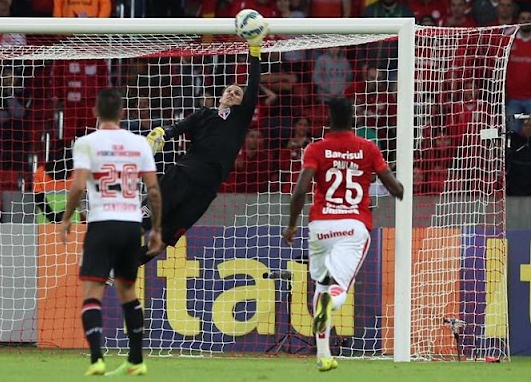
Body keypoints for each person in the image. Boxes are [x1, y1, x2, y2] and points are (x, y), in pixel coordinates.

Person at [282, 98, 404, 372]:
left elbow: (300, 190)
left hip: (320, 228)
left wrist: (291, 226)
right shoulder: (368, 149)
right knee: (338, 289)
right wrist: (400, 188)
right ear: (353, 121)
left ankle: (323, 355)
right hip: (352, 227)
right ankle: (331, 304)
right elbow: (393, 188)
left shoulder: (316, 148)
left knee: (322, 285)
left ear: (328, 120)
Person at [138, 23, 268, 265]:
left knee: (163, 241)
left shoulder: (239, 120)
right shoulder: (203, 114)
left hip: (204, 192)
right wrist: (161, 134)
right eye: (229, 90)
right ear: (220, 95)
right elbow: (175, 130)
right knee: (141, 222)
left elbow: (253, 83)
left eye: (237, 93)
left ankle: (122, 269)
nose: (232, 93)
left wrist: (255, 50)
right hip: (181, 177)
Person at [59, 89, 163, 376]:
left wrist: (67, 219)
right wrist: (155, 229)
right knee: (128, 291)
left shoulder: (86, 143)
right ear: (122, 113)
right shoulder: (139, 143)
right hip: (131, 225)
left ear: (95, 112)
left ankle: (97, 359)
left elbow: (78, 186)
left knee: (92, 292)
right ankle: (137, 359)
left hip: (102, 222)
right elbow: (153, 191)